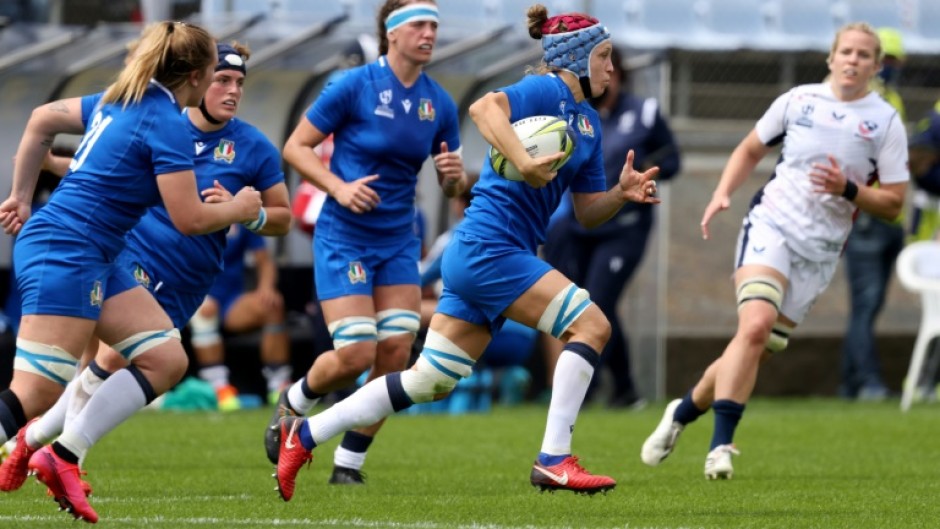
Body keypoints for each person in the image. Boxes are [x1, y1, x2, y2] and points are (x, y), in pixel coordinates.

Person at [272, 3, 660, 501]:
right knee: (592, 325)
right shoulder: (546, 89)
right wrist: (523, 159)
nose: (612, 67)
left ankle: (304, 435)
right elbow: (483, 108)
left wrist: (620, 195)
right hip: (488, 248)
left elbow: (587, 212)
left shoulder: (586, 122)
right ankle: (554, 459)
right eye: (604, 56)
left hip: (491, 253)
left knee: (427, 380)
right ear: (578, 59)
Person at [0, 28, 274, 521]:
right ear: (195, 76)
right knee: (34, 393)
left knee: (166, 358)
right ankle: (44, 446)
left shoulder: (124, 96)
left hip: (94, 253)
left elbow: (42, 119)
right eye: (216, 72)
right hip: (67, 249)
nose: (223, 82)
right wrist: (241, 207)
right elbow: (189, 218)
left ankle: (62, 457)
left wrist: (21, 195)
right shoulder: (166, 122)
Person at [640, 22, 909, 480]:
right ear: (831, 58)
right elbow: (748, 149)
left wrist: (848, 189)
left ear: (877, 66)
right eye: (846, 51)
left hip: (820, 251)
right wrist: (721, 193)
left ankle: (682, 412)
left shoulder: (884, 121)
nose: (853, 60)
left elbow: (894, 203)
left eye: (865, 55)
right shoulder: (798, 101)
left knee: (752, 346)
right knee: (756, 325)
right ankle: (721, 445)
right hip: (772, 226)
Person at [265, 0, 467, 486]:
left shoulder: (439, 102)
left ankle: (349, 463)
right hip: (345, 236)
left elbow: (454, 189)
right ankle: (293, 403)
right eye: (418, 24)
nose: (429, 33)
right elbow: (295, 147)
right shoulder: (354, 86)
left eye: (434, 25)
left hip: (399, 240)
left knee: (396, 352)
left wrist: (454, 178)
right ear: (391, 33)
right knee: (355, 354)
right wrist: (337, 187)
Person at [541, 45, 680, 409]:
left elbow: (673, 158)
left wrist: (645, 173)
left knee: (600, 301)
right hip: (580, 225)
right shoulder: (577, 115)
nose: (608, 74)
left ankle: (597, 390)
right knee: (583, 306)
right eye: (602, 65)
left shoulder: (644, 113)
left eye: (612, 68)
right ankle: (623, 389)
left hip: (626, 227)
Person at [838, 27, 907, 401]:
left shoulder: (891, 97)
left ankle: (850, 383)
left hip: (888, 214)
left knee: (870, 304)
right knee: (866, 303)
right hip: (866, 213)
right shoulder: (857, 99)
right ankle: (868, 383)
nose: (890, 68)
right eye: (887, 60)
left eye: (894, 61)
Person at [189, 223, 292, 411]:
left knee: (272, 306)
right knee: (206, 309)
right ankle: (218, 387)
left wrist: (266, 288)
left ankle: (279, 386)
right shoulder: (187, 212)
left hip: (231, 299)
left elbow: (264, 260)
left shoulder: (239, 216)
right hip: (192, 295)